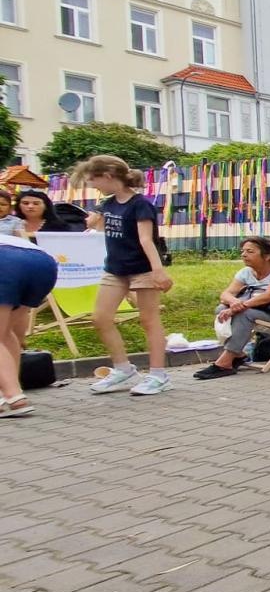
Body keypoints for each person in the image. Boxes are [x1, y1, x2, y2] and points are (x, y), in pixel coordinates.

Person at [70, 155, 174, 397]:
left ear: (107, 176)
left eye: (93, 180)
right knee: (100, 318)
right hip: (115, 269)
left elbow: (146, 239)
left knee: (149, 320)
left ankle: (159, 375)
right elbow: (96, 228)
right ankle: (123, 369)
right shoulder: (108, 203)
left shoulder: (140, 204)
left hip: (142, 268)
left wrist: (158, 271)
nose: (93, 186)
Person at [194, 236, 270, 379]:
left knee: (244, 313)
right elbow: (226, 294)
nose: (243, 254)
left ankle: (225, 363)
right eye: (243, 251)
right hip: (258, 310)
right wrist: (233, 302)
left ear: (267, 256)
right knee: (220, 309)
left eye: (250, 251)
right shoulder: (246, 272)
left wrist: (238, 307)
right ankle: (238, 354)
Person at [0, 232, 59, 416]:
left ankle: (14, 396)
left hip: (6, 261)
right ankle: (10, 391)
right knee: (5, 332)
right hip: (43, 262)